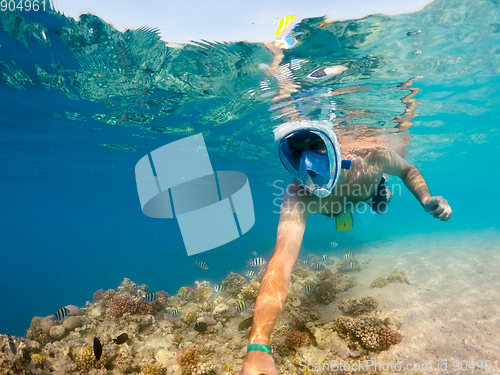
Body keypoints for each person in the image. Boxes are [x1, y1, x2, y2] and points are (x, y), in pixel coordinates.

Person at [239, 49, 452, 375]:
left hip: (368, 190)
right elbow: (280, 262)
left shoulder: (373, 156)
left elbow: (408, 170)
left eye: (317, 146)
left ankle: (375, 196)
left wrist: (425, 199)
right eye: (297, 153)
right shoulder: (297, 195)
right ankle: (345, 212)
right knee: (338, 214)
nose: (308, 162)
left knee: (380, 204)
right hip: (334, 207)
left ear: (335, 144)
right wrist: (258, 344)